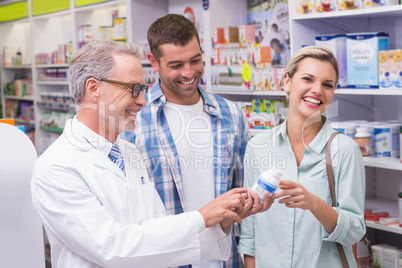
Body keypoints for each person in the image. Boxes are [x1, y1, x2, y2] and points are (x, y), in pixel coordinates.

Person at [31, 40, 274, 268]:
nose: (143, 101)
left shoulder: (127, 150)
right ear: (93, 88)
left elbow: (158, 228)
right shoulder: (57, 166)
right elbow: (111, 248)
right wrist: (201, 217)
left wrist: (222, 219)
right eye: (134, 89)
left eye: (143, 89)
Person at [122, 14, 249, 267]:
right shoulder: (134, 119)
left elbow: (242, 196)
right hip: (164, 260)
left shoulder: (232, 115)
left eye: (196, 60)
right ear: (153, 62)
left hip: (225, 260)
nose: (189, 73)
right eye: (176, 65)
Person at [239, 46, 366, 267]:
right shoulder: (257, 147)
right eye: (308, 79)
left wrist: (315, 204)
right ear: (286, 81)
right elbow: (250, 232)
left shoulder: (344, 150)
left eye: (327, 85)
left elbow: (354, 231)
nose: (317, 90)